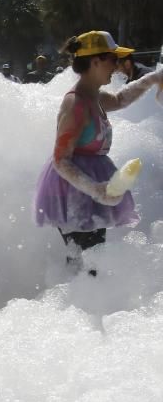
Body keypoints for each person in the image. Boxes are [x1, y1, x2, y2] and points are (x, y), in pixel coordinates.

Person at [34, 31, 163, 275]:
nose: (116, 66)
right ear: (95, 61)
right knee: (86, 262)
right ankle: (77, 306)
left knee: (91, 260)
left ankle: (84, 304)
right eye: (112, 59)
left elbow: (121, 99)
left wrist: (152, 79)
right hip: (74, 191)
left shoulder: (94, 95)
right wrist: (96, 190)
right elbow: (61, 160)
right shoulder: (76, 104)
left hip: (87, 188)